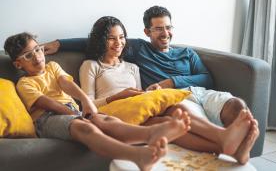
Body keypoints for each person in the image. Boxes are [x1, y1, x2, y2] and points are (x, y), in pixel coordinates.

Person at [78, 15, 259, 164]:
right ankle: (223, 145)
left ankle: (226, 140)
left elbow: (142, 98)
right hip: (111, 112)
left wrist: (148, 93)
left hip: (137, 108)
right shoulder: (91, 66)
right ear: (101, 41)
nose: (118, 43)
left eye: (121, 37)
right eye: (111, 38)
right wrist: (118, 96)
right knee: (161, 125)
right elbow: (86, 105)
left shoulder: (132, 67)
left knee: (176, 112)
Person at [4, 32, 193, 171]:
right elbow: (49, 104)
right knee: (86, 128)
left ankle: (150, 134)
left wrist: (86, 101)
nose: (37, 56)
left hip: (73, 110)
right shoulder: (24, 83)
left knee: (109, 121)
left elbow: (66, 84)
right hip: (47, 119)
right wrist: (77, 115)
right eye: (28, 55)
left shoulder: (53, 66)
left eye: (37, 50)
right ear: (18, 64)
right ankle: (138, 155)